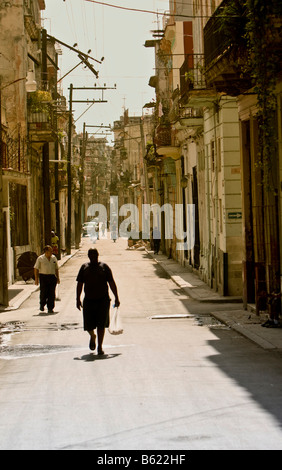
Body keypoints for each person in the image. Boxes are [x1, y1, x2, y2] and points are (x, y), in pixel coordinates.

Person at [76, 248, 120, 354]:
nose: (93, 257)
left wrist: (116, 297)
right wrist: (77, 299)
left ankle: (100, 346)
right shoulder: (84, 268)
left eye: (95, 254)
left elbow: (111, 283)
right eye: (91, 255)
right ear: (88, 256)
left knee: (101, 325)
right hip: (89, 300)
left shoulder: (104, 267)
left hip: (103, 300)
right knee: (88, 325)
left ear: (98, 255)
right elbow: (80, 284)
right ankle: (92, 336)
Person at [34, 245, 60, 313]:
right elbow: (36, 268)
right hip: (43, 277)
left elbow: (56, 268)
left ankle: (50, 308)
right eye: (50, 251)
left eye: (52, 251)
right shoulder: (40, 258)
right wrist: (36, 279)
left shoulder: (54, 258)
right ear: (46, 251)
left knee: (51, 293)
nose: (52, 252)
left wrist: (58, 278)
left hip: (52, 277)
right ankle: (42, 304)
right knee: (44, 292)